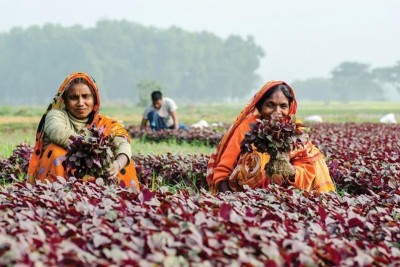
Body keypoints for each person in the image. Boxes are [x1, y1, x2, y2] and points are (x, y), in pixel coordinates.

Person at [206, 80, 336, 194]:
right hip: (247, 197)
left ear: (289, 108)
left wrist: (288, 169)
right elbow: (223, 170)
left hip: (290, 198)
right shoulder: (246, 129)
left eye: (283, 106)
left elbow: (307, 170)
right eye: (270, 105)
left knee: (315, 159)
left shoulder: (295, 131)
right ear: (260, 107)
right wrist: (231, 201)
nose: (277, 112)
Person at [27, 72, 140, 190]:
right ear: (65, 100)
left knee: (125, 163)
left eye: (86, 96)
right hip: (62, 176)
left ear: (95, 98)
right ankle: (54, 193)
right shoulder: (56, 115)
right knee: (56, 151)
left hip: (95, 177)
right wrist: (93, 150)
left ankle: (124, 198)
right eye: (74, 97)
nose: (80, 103)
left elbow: (122, 143)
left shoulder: (104, 123)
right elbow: (57, 132)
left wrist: (117, 165)